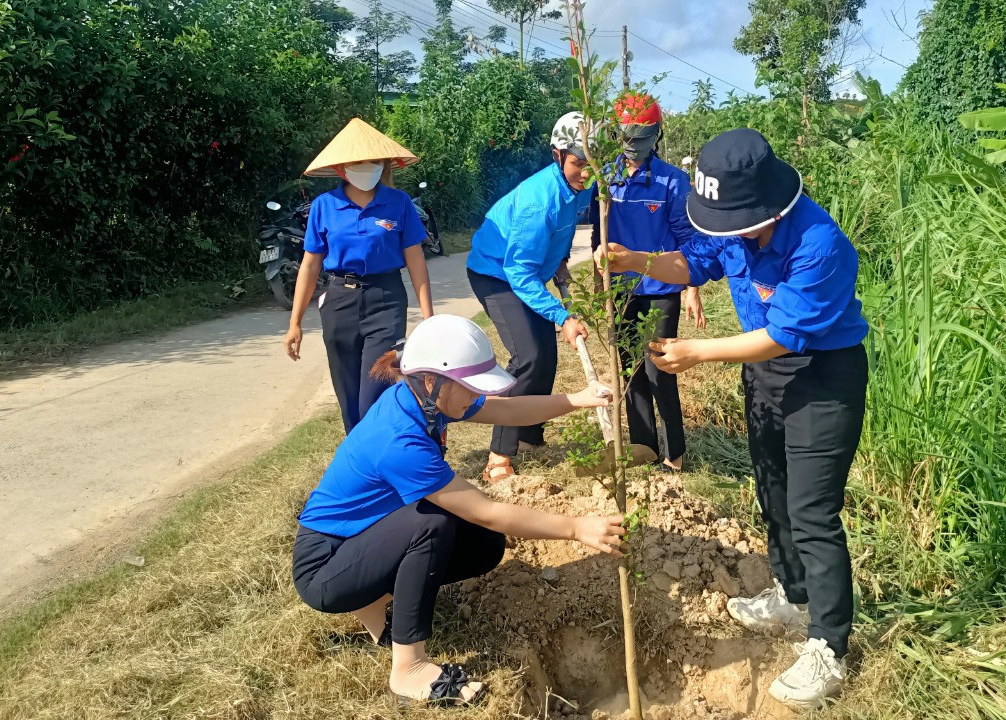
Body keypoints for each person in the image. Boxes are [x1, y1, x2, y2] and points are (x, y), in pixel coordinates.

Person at [595, 128, 869, 708]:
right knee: (772, 491)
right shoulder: (729, 230)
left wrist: (696, 352)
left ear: (768, 204)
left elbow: (784, 334)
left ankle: (829, 644)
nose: (731, 235)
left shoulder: (819, 244)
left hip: (821, 378)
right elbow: (690, 264)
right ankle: (792, 597)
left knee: (812, 510)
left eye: (738, 223)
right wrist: (635, 259)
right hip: (764, 375)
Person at [292, 314, 624, 707]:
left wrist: (579, 399)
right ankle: (408, 667)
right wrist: (575, 528)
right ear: (432, 381)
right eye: (470, 387)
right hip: (325, 566)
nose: (474, 396)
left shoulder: (423, 399)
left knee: (483, 545)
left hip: (359, 542)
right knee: (433, 523)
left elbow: (508, 412)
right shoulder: (400, 439)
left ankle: (372, 601)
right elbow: (484, 509)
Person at [283, 118, 434, 433]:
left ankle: (382, 449)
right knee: (349, 397)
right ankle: (362, 466)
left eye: (373, 161)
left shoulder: (398, 203)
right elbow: (310, 265)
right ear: (342, 169)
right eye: (358, 162)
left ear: (384, 164)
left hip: (386, 300)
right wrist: (295, 322)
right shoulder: (325, 206)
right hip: (339, 303)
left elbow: (416, 261)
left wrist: (429, 318)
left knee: (375, 394)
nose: (367, 167)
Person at [466, 112, 594, 481]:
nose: (586, 172)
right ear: (557, 156)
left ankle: (529, 436)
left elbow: (561, 230)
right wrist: (564, 316)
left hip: (529, 272)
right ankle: (498, 455)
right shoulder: (540, 200)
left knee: (546, 357)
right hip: (496, 273)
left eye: (592, 163)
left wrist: (560, 261)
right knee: (528, 356)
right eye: (577, 163)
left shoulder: (579, 187)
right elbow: (518, 271)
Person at [589, 93, 706, 472]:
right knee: (629, 371)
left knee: (659, 367)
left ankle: (674, 453)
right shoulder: (605, 178)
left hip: (661, 291)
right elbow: (598, 238)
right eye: (628, 138)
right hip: (620, 292)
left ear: (656, 135)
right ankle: (643, 448)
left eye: (642, 138)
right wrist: (597, 286)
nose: (634, 148)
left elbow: (689, 241)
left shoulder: (673, 182)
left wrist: (692, 289)